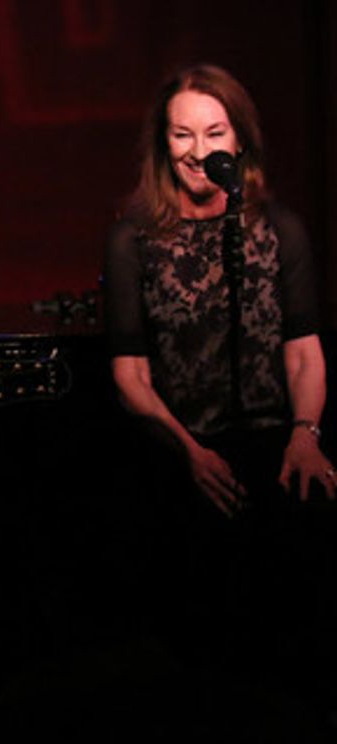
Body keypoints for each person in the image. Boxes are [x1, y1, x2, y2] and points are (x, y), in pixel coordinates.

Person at [103, 64, 336, 704]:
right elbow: (130, 375)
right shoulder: (134, 240)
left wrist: (306, 435)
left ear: (240, 142)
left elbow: (304, 352)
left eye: (213, 133)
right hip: (180, 441)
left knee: (303, 511)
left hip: (269, 433)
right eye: (182, 135)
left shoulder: (278, 231)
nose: (199, 151)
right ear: (163, 144)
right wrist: (190, 451)